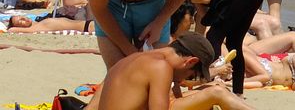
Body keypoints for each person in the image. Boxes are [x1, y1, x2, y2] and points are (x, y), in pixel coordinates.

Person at [85, 32, 252, 110]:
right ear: (191, 61)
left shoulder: (133, 60)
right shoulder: (161, 66)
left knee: (213, 91)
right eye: (192, 75)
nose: (186, 81)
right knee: (217, 93)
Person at [190, 0, 266, 96]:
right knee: (234, 44)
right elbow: (203, 14)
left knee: (214, 36)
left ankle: (210, 83)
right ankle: (238, 92)